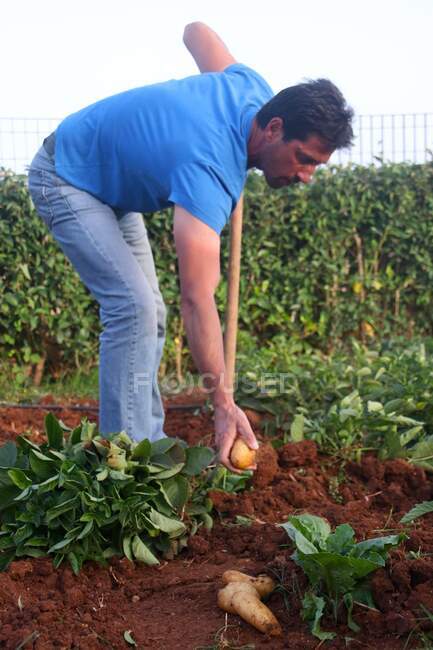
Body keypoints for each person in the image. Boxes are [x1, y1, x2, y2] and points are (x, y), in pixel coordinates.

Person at [28, 22, 353, 472]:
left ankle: (146, 445)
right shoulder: (210, 170)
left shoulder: (251, 89)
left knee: (148, 312)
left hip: (110, 191)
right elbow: (197, 299)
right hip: (65, 175)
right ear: (275, 127)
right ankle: (122, 468)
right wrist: (222, 402)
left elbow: (196, 32)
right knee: (133, 307)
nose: (305, 177)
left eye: (316, 166)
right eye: (304, 159)